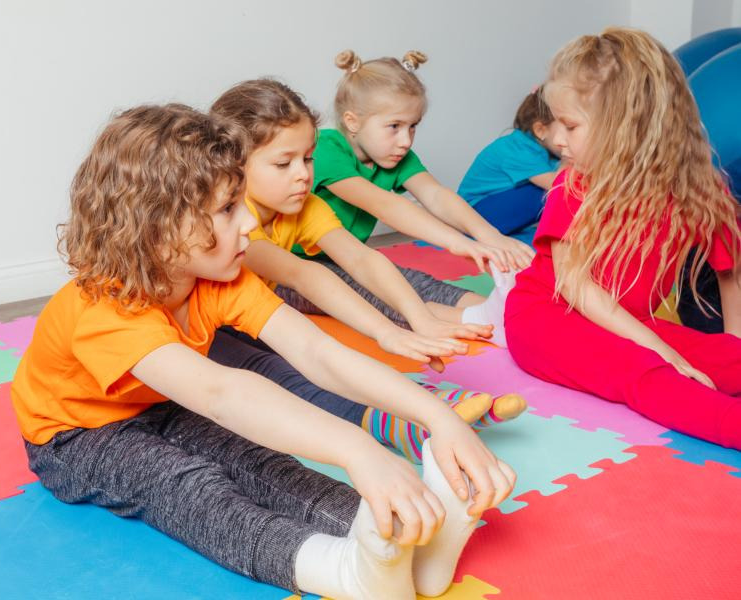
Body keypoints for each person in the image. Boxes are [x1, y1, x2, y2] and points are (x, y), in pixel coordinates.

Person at [11, 104, 516, 598]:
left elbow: (317, 352)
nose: (250, 225)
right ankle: (338, 570)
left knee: (263, 464)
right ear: (160, 229)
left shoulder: (216, 276)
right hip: (76, 436)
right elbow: (220, 391)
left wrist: (437, 418)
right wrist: (358, 449)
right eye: (229, 210)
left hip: (158, 403)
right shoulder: (103, 310)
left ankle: (407, 540)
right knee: (187, 484)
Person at [207, 79, 526, 464]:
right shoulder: (238, 221)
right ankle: (402, 419)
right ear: (235, 167)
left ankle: (422, 406)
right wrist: (386, 332)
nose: (303, 174)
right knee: (283, 374)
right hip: (209, 335)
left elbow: (362, 259)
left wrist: (418, 318)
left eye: (307, 159)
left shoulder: (303, 206)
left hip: (253, 314)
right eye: (283, 163)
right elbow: (304, 275)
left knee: (323, 355)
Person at [505, 28, 741, 449]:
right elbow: (576, 285)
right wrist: (663, 351)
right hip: (546, 319)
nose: (556, 139)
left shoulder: (698, 189)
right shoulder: (574, 186)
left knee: (722, 359)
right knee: (647, 373)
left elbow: (729, 272)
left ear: (627, 126)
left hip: (629, 323)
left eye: (570, 125)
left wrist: (731, 348)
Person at [308, 49, 538, 346]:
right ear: (352, 122)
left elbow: (436, 194)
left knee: (410, 280)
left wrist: (489, 236)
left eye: (412, 126)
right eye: (394, 127)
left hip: (350, 259)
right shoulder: (325, 150)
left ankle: (511, 308)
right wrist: (460, 243)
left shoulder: (394, 155)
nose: (405, 141)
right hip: (295, 268)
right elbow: (383, 204)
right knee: (369, 296)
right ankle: (485, 322)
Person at [458, 85, 566, 235]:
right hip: (474, 215)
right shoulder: (517, 149)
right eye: (569, 129)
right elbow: (558, 184)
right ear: (541, 130)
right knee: (550, 192)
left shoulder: (543, 150)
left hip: (491, 209)